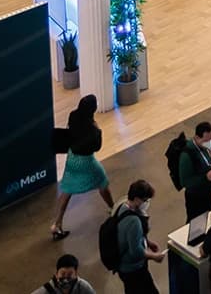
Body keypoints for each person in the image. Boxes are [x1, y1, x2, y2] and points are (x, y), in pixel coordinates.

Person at [49, 94, 114, 239]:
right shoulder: (94, 129)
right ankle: (114, 209)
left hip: (72, 158)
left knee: (67, 190)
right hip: (86, 161)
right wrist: (97, 130)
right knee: (102, 181)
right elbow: (97, 147)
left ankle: (57, 224)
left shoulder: (73, 115)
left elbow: (70, 130)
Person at [111, 179, 166, 294]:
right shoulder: (134, 221)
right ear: (136, 199)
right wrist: (154, 256)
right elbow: (135, 251)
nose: (147, 203)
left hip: (123, 267)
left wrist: (148, 242)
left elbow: (129, 236)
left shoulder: (122, 206)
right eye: (145, 200)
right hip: (133, 268)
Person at [177, 121, 211, 220]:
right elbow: (185, 182)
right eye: (206, 140)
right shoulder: (187, 155)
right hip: (199, 199)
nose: (209, 143)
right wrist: (205, 178)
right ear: (197, 137)